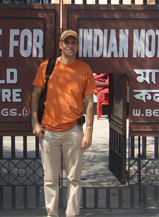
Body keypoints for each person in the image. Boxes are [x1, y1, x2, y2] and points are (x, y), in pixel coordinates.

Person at [30, 29, 97, 217]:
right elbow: (35, 95)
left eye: (73, 42)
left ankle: (72, 214)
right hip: (48, 131)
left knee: (74, 178)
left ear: (77, 46)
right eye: (66, 42)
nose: (70, 46)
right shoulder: (46, 67)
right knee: (50, 179)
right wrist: (35, 122)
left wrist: (89, 131)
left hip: (73, 130)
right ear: (60, 45)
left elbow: (90, 102)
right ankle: (52, 214)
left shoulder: (84, 69)